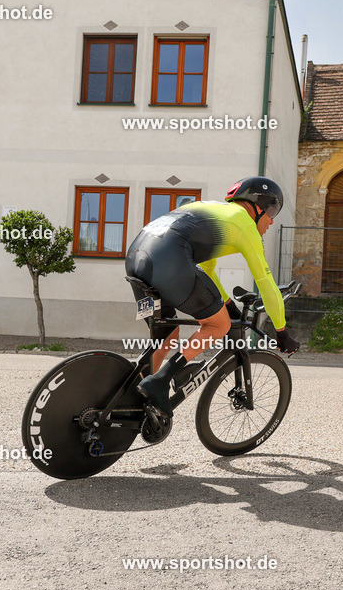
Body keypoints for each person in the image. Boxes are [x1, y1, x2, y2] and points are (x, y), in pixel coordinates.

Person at [124, 176, 300, 418]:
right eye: (271, 211)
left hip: (137, 260)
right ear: (257, 207)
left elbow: (207, 270)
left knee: (166, 336)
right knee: (218, 325)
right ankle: (161, 380)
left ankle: (131, 399)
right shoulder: (244, 223)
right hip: (168, 261)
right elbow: (266, 283)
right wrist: (282, 333)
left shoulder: (209, 210)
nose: (271, 221)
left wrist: (228, 304)